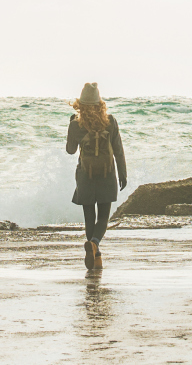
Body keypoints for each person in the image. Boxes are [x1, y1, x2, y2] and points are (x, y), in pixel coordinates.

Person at [66, 83, 127, 270]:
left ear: (80, 104)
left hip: (85, 176)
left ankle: (94, 251)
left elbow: (70, 150)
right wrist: (123, 174)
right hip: (107, 175)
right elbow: (118, 150)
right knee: (103, 219)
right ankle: (95, 246)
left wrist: (72, 127)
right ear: (100, 103)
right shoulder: (111, 121)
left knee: (89, 218)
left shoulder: (76, 124)